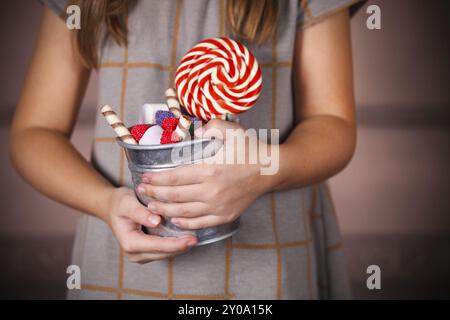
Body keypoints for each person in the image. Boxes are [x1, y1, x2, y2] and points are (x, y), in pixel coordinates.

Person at [10, 0, 363, 299]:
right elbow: (35, 132)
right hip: (119, 265)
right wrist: (106, 203)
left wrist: (266, 167)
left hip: (267, 268)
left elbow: (333, 124)